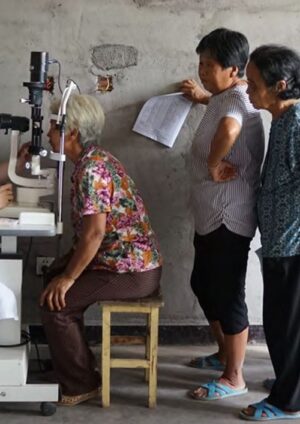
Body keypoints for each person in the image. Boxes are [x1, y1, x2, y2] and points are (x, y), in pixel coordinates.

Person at [39, 94, 162, 406]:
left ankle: (81, 384)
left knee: (57, 302)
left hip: (131, 272)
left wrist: (68, 278)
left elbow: (94, 235)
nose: (48, 132)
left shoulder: (91, 170)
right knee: (51, 276)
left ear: (74, 132)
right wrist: (62, 272)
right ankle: (75, 363)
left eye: (54, 126)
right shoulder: (94, 159)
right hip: (119, 262)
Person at [180, 28, 264, 400]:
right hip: (213, 213)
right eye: (200, 63)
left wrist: (214, 165)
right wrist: (201, 97)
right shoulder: (225, 96)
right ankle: (223, 353)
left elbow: (230, 128)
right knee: (203, 283)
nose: (202, 70)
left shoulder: (235, 102)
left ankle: (234, 376)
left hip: (229, 216)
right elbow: (221, 112)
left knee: (228, 293)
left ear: (234, 70)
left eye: (210, 65)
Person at [240, 45, 300, 421]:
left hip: (293, 246)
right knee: (281, 322)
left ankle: (287, 399)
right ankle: (288, 383)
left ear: (280, 85)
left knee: (286, 326)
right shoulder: (280, 120)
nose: (248, 91)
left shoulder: (295, 125)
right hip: (280, 243)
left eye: (254, 84)